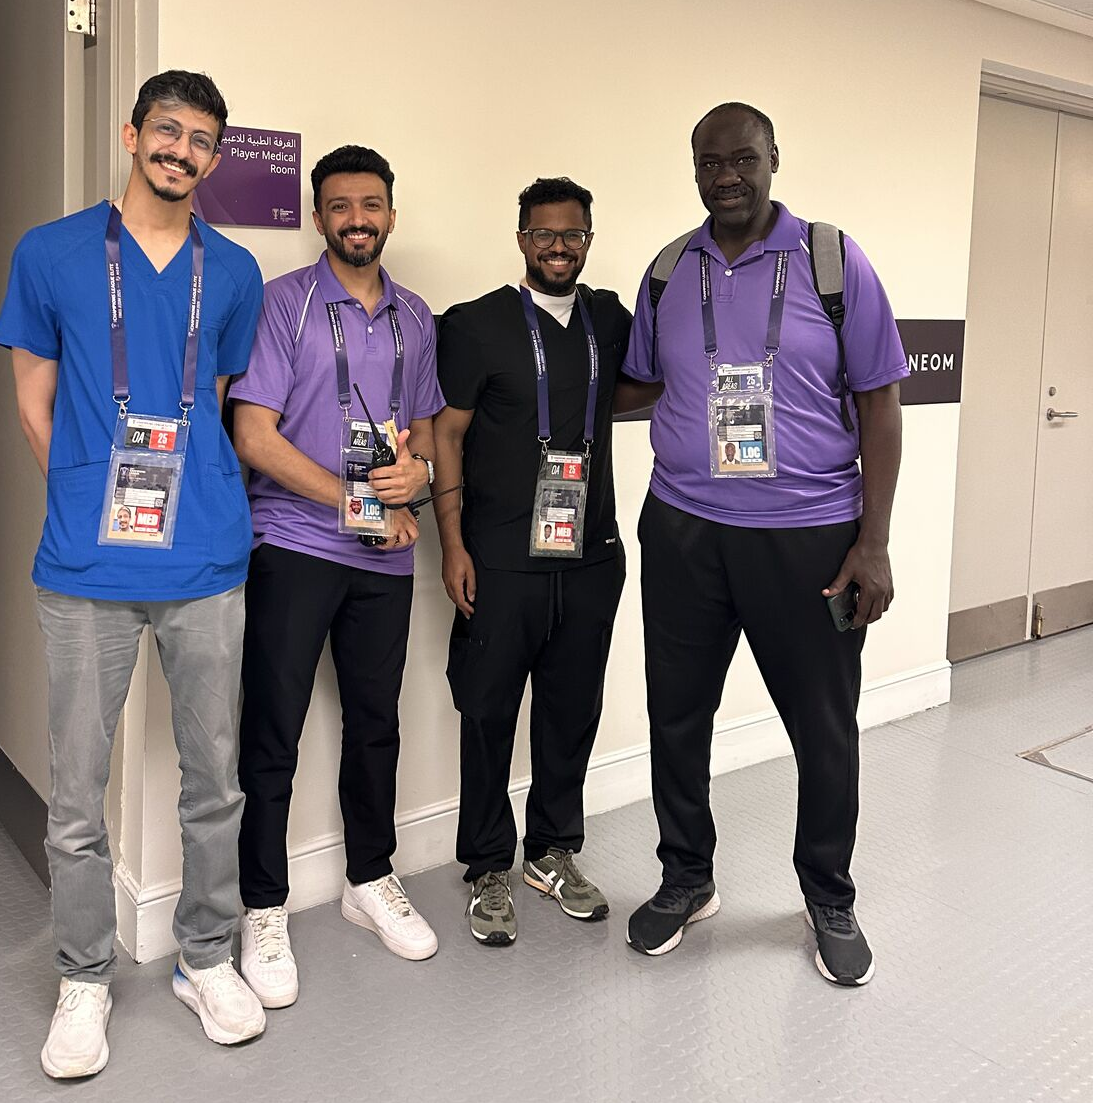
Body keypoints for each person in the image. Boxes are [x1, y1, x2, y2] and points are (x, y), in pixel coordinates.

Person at [0, 71, 267, 1078]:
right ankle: (83, 975)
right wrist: (81, 498)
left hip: (205, 558)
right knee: (76, 793)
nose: (181, 150)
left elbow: (220, 397)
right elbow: (34, 397)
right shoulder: (50, 251)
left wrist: (183, 499)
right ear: (131, 134)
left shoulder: (230, 271)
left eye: (201, 139)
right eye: (166, 130)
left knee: (214, 776)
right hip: (84, 565)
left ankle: (204, 953)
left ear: (214, 158)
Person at [620, 103, 907, 986]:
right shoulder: (669, 270)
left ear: (774, 158)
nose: (727, 174)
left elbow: (880, 405)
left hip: (809, 536)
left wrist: (875, 542)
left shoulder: (831, 261)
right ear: (694, 168)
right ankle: (686, 876)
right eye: (710, 161)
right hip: (684, 529)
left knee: (822, 728)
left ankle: (826, 892)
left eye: (743, 157)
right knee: (677, 713)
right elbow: (639, 382)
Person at [229, 145, 443, 1007]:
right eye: (341, 205)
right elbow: (255, 434)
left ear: (392, 213)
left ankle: (370, 877)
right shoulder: (283, 303)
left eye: (373, 204)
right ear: (320, 217)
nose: (359, 217)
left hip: (384, 556)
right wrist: (355, 498)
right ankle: (263, 905)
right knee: (272, 731)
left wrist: (417, 480)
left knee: (376, 723)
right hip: (291, 544)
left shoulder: (416, 316)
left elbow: (426, 433)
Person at [432, 177, 643, 946]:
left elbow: (653, 380)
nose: (560, 247)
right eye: (545, 234)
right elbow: (445, 435)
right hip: (499, 556)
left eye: (574, 234)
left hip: (591, 557)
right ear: (521, 238)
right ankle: (488, 862)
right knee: (487, 712)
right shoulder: (477, 324)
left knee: (571, 710)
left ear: (589, 237)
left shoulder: (608, 318)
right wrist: (452, 543)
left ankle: (552, 850)